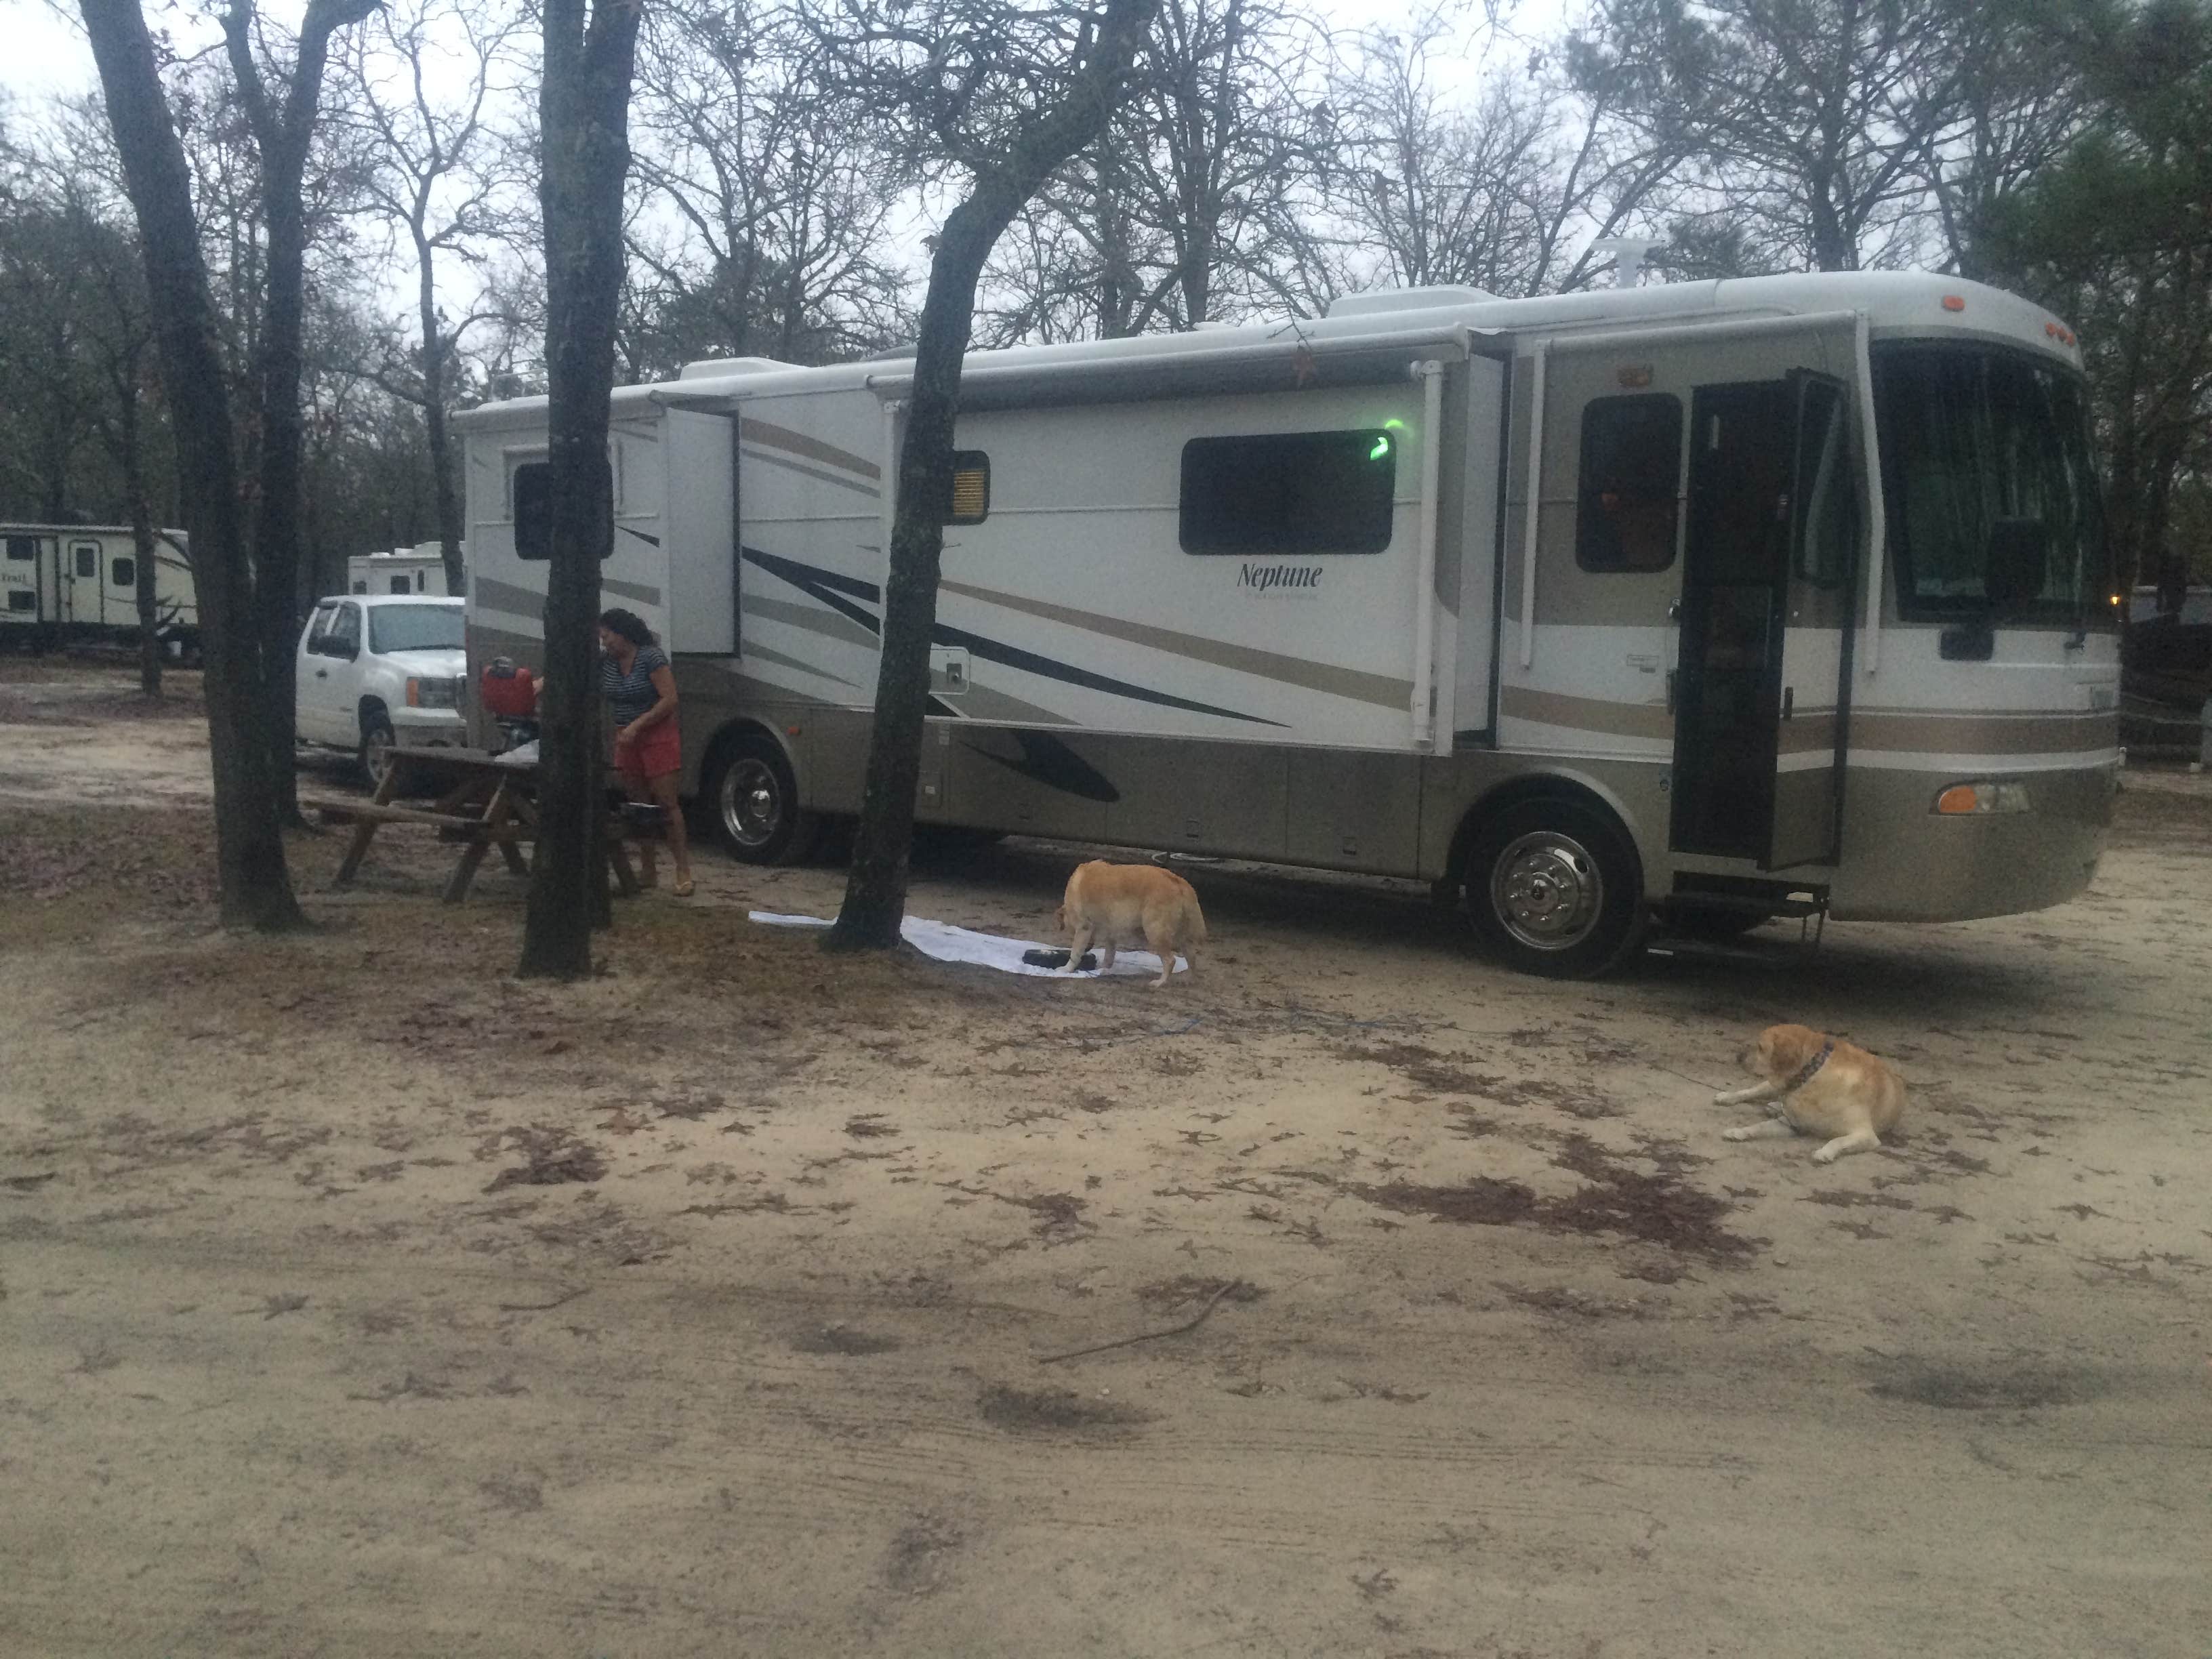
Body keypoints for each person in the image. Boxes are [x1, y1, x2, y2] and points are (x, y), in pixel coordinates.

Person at [597, 607, 693, 897]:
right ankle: (648, 869)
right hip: (625, 738)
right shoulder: (607, 663)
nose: (605, 643)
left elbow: (670, 699)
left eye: (607, 636)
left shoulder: (651, 657)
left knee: (666, 803)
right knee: (638, 805)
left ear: (623, 633)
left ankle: (683, 870)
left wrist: (639, 725)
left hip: (657, 735)